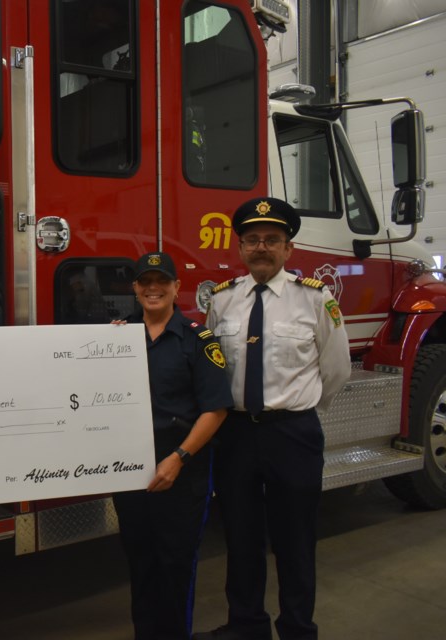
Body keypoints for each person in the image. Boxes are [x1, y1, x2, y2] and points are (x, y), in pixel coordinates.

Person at [195, 198, 351, 640]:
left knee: (295, 541)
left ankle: (298, 629)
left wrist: (298, 411)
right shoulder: (222, 302)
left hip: (293, 435)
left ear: (289, 248)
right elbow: (212, 368)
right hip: (237, 436)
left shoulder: (316, 300)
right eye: (252, 240)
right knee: (241, 538)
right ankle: (247, 626)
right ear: (240, 247)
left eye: (272, 240)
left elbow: (336, 369)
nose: (261, 248)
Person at [111, 251, 232, 640]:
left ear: (177, 288)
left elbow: (215, 410)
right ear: (134, 289)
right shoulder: (115, 338)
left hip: (181, 471)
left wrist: (178, 458)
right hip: (131, 473)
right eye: (144, 282)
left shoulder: (198, 340)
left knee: (175, 565)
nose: (152, 288)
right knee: (140, 562)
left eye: (161, 281)